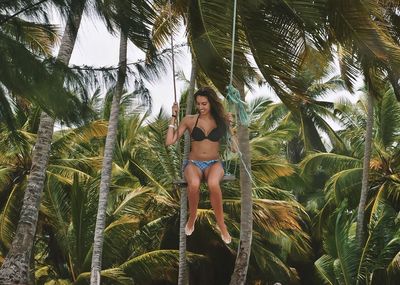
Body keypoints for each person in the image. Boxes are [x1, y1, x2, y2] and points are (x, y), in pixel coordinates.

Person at [165, 87, 235, 244]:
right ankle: (192, 217)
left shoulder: (221, 121)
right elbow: (169, 141)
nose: (201, 107)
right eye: (198, 104)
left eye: (204, 103)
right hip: (193, 163)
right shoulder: (189, 120)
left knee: (213, 184)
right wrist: (174, 116)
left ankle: (222, 225)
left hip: (214, 163)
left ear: (211, 103)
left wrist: (230, 126)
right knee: (194, 184)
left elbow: (234, 148)